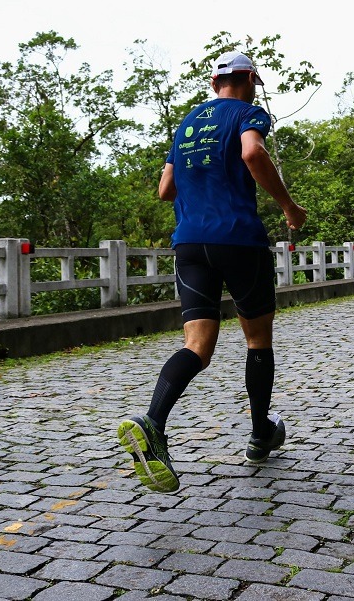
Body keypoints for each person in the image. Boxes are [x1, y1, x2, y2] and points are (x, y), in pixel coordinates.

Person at [118, 52, 308, 493]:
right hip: (238, 238)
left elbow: (165, 189)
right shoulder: (248, 113)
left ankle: (153, 422)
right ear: (252, 81)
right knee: (257, 339)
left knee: (197, 347)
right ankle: (261, 434)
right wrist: (288, 205)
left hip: (189, 243)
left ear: (213, 82)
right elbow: (251, 152)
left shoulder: (186, 125)